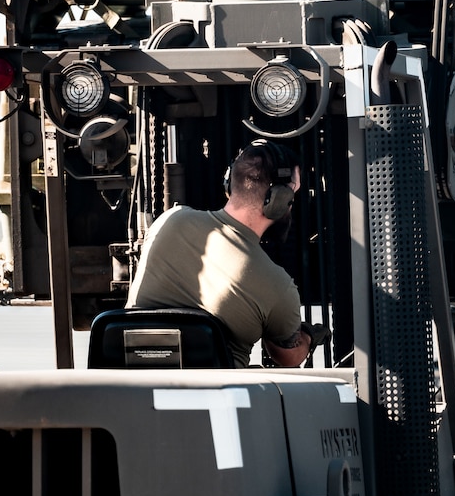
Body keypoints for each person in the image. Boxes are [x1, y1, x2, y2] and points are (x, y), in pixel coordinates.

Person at [125, 139, 327, 367]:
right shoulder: (277, 286)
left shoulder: (169, 220)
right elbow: (286, 357)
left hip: (134, 387)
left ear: (229, 183)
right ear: (278, 201)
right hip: (212, 398)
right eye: (292, 194)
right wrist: (309, 337)